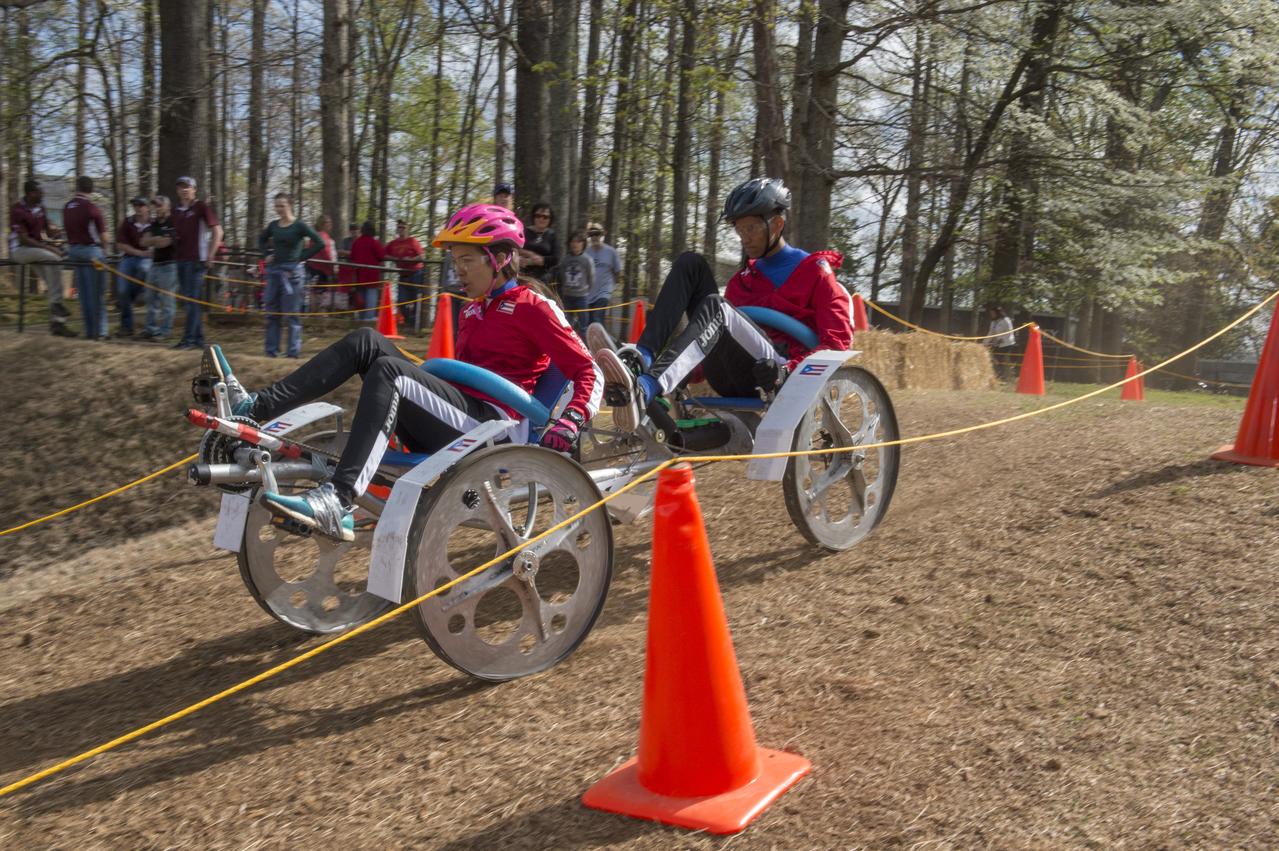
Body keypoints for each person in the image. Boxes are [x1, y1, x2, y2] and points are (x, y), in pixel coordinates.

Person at [202, 203, 603, 541]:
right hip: (457, 416)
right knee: (365, 341)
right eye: (454, 261)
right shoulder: (471, 309)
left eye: (466, 260)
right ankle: (254, 407)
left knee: (393, 372)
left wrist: (570, 420)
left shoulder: (531, 305)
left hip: (495, 429)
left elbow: (588, 370)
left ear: (498, 259)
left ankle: (337, 499)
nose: (457, 271)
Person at [591, 177, 852, 431]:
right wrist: (688, 374)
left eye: (751, 228)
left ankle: (647, 386)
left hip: (775, 373)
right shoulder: (742, 281)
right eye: (739, 230)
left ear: (777, 224)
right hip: (731, 373)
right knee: (690, 263)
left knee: (718, 308)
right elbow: (712, 335)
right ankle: (642, 359)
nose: (744, 238)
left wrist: (788, 369)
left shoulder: (815, 271)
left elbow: (837, 344)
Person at [259, 193, 325, 358]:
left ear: (289, 205)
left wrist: (301, 257)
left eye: (282, 205)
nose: (279, 209)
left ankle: (292, 352)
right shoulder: (273, 225)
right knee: (272, 311)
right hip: (274, 270)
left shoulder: (299, 225)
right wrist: (265, 254)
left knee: (292, 313)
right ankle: (271, 351)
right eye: (276, 205)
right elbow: (261, 239)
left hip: (293, 272)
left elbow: (319, 242)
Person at [9, 179, 74, 337]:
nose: (43, 194)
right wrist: (49, 247)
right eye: (40, 192)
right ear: (31, 193)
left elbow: (48, 230)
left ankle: (58, 324)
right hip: (21, 250)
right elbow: (24, 239)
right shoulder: (17, 210)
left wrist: (55, 231)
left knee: (53, 282)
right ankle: (57, 306)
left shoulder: (41, 208)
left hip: (36, 250)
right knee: (54, 259)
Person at [171, 175, 223, 350]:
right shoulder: (176, 210)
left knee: (192, 301)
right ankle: (198, 338)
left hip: (196, 261)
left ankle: (189, 340)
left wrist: (210, 255)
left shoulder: (201, 207)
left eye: (187, 186)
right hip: (181, 260)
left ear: (194, 189)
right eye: (181, 187)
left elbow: (218, 231)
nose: (184, 190)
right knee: (188, 302)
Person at [63, 176, 109, 340]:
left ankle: (89, 331)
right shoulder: (92, 208)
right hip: (92, 254)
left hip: (74, 252)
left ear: (77, 187)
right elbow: (103, 236)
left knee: (83, 293)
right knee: (97, 292)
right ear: (91, 190)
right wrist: (105, 250)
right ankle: (100, 331)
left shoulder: (67, 206)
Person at [140, 195, 179, 341]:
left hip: (170, 265)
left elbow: (166, 242)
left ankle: (165, 331)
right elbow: (143, 241)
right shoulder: (154, 223)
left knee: (167, 300)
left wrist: (155, 240)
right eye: (155, 206)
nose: (157, 208)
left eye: (160, 205)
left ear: (168, 207)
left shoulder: (173, 222)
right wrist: (157, 239)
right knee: (150, 298)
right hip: (154, 265)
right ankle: (151, 329)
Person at [113, 196, 153, 337]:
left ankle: (134, 297)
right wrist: (139, 252)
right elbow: (120, 244)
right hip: (129, 258)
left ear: (147, 207)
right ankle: (127, 327)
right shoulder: (127, 222)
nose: (138, 208)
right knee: (122, 289)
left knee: (144, 269)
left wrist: (150, 252)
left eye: (141, 205)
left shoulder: (154, 223)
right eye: (135, 205)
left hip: (148, 260)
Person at [385, 219, 425, 325]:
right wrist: (393, 258)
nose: (401, 229)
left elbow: (421, 256)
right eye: (399, 227)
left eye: (403, 227)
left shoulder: (413, 241)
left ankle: (415, 324)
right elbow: (383, 254)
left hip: (416, 273)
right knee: (401, 300)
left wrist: (411, 260)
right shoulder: (393, 243)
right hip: (402, 274)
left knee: (416, 299)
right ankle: (407, 320)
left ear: (407, 229)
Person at [584, 221, 621, 333]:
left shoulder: (611, 252)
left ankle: (600, 345)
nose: (595, 237)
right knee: (589, 322)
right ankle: (596, 346)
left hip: (604, 291)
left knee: (597, 318)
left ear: (602, 234)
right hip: (589, 293)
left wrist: (613, 287)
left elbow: (618, 271)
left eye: (597, 234)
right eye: (592, 234)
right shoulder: (585, 252)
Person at [554, 231, 595, 335]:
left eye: (578, 241)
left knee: (583, 325)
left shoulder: (587, 260)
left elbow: (591, 278)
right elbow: (562, 276)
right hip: (567, 296)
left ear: (583, 244)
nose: (575, 244)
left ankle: (584, 347)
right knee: (567, 323)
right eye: (572, 241)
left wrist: (585, 290)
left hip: (582, 297)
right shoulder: (565, 259)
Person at [348, 221, 386, 321]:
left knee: (362, 299)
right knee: (371, 297)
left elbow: (352, 257)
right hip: (372, 275)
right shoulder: (374, 242)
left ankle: (361, 318)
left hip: (360, 274)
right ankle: (369, 318)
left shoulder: (357, 242)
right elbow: (381, 256)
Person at [520, 202, 559, 285]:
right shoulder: (524, 232)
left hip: (544, 279)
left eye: (545, 217)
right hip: (523, 276)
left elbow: (556, 258)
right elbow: (515, 249)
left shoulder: (552, 235)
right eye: (538, 216)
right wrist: (529, 254)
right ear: (533, 217)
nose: (541, 219)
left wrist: (541, 260)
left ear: (550, 219)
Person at [306, 214, 338, 309]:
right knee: (322, 296)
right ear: (325, 224)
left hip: (312, 269)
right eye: (329, 223)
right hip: (322, 270)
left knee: (314, 293)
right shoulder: (324, 237)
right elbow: (327, 254)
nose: (331, 225)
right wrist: (333, 269)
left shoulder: (314, 236)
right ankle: (319, 317)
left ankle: (312, 315)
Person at [983, 305, 1017, 379]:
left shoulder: (1006, 320)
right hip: (998, 344)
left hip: (1007, 343)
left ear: (998, 313)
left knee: (998, 358)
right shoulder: (993, 322)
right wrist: (985, 343)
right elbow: (991, 332)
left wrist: (1001, 339)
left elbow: (1009, 332)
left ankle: (1002, 375)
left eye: (993, 313)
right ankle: (998, 375)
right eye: (991, 313)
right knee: (993, 357)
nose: (992, 315)